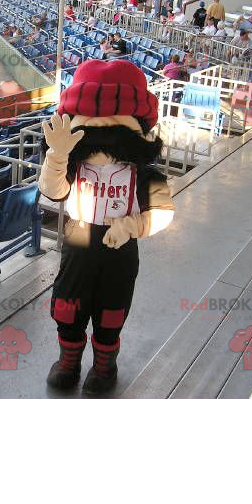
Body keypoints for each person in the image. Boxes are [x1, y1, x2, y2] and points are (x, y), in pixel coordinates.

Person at [38, 61, 175, 394]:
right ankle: (68, 361)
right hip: (78, 240)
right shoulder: (72, 162)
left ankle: (104, 367)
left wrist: (131, 226)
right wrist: (57, 155)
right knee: (68, 306)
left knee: (111, 311)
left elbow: (164, 212)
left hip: (120, 249)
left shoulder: (145, 174)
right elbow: (52, 190)